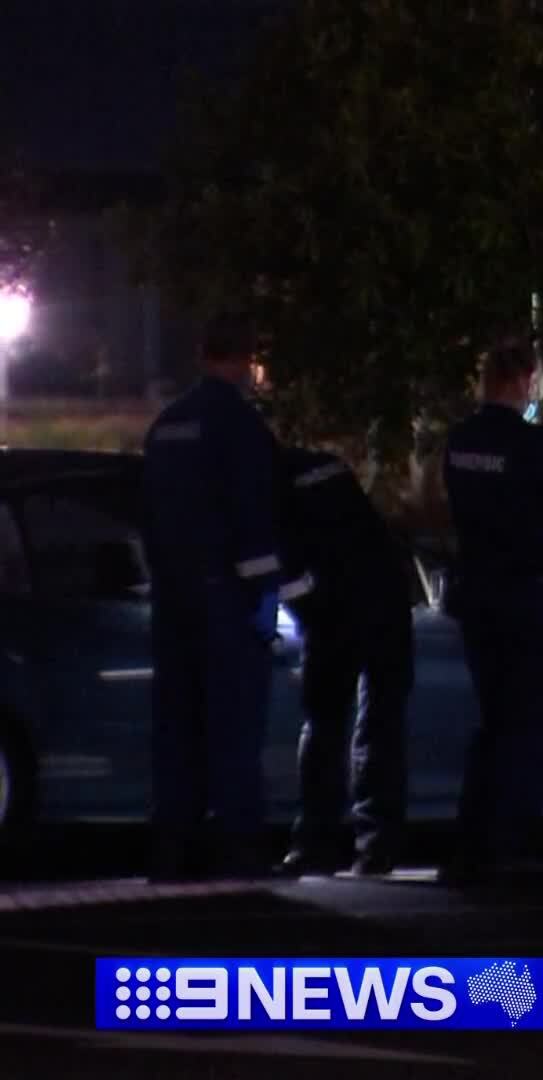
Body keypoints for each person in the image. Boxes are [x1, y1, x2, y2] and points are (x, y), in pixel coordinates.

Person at [139, 312, 301, 883]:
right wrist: (265, 595)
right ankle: (237, 850)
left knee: (176, 725)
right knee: (234, 725)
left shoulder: (166, 425)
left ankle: (171, 849)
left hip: (173, 598)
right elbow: (254, 516)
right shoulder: (239, 425)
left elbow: (149, 516)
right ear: (243, 360)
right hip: (225, 599)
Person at [439, 337, 543, 886]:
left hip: (480, 597)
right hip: (531, 598)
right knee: (531, 726)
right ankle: (516, 850)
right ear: (522, 382)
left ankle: (471, 848)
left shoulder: (461, 442)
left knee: (492, 725)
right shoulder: (536, 443)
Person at [274, 445, 417, 878]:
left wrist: (312, 620)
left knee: (324, 724)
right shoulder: (319, 464)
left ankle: (316, 843)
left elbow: (282, 569)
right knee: (380, 723)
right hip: (388, 599)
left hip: (340, 606)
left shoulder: (263, 485)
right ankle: (377, 846)